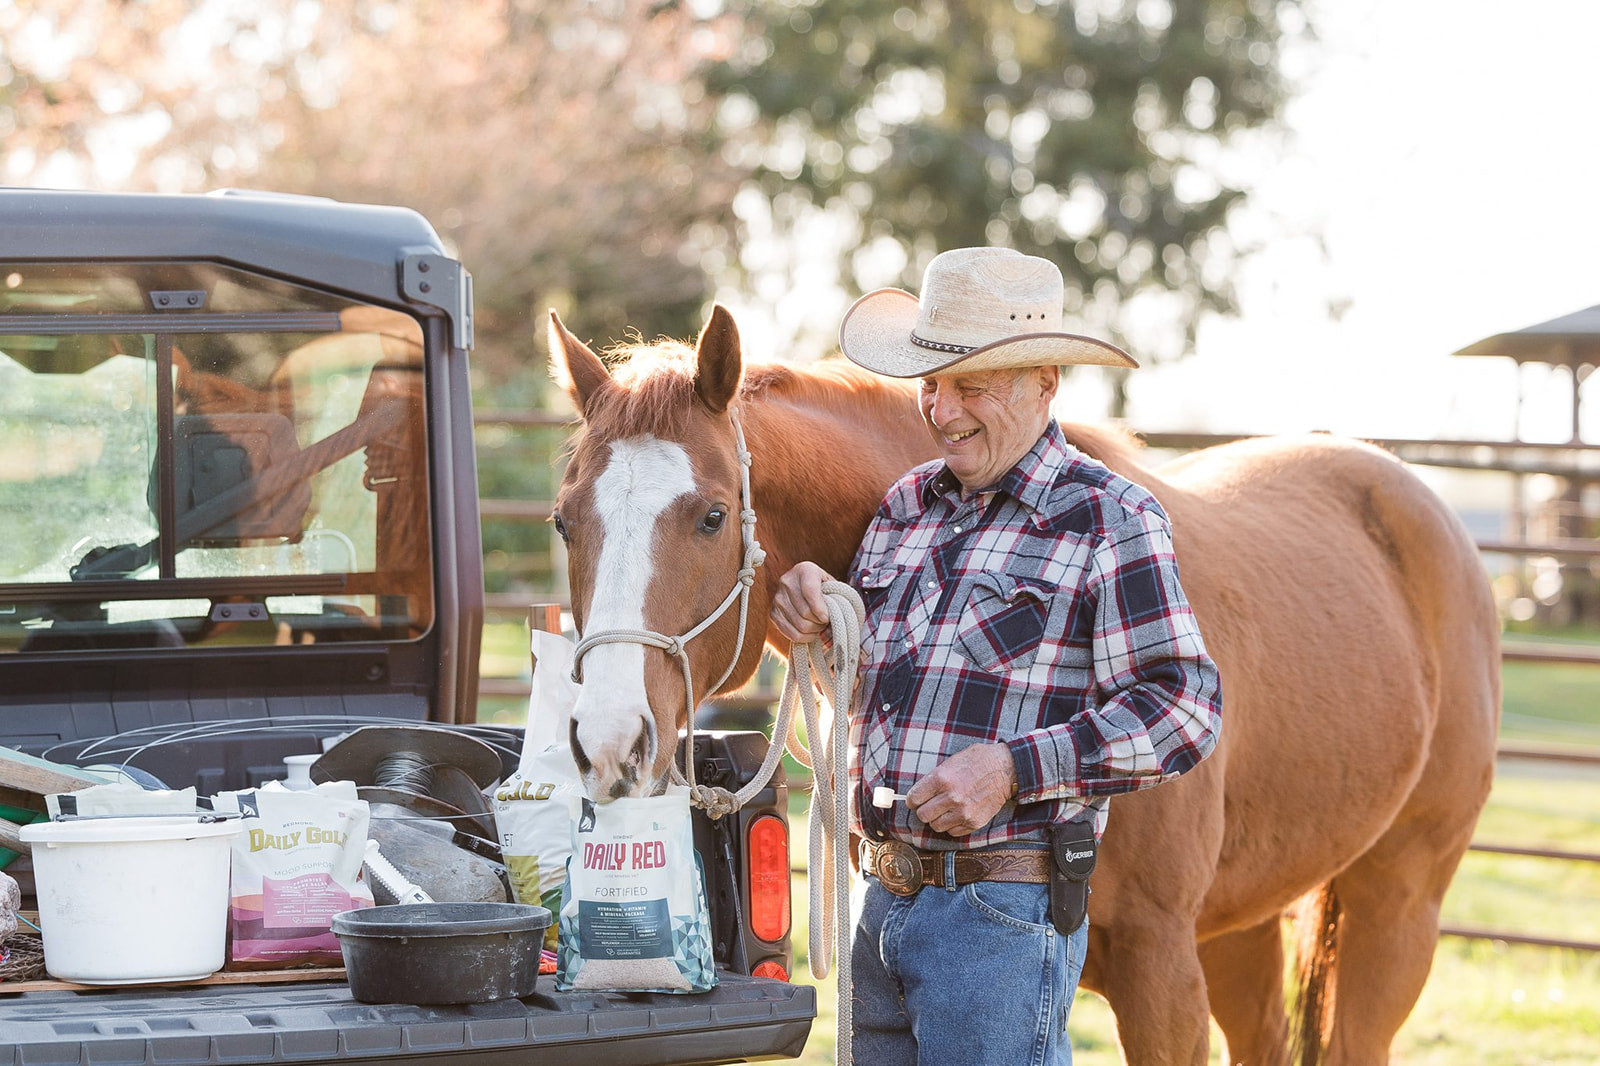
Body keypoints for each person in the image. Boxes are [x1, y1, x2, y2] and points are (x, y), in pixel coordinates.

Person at [770, 247, 1222, 1065]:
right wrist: (817, 611)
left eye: (971, 384)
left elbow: (1182, 708)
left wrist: (1013, 769)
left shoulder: (1108, 517)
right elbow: (879, 685)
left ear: (1044, 382)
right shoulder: (907, 506)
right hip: (884, 902)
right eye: (933, 384)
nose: (942, 411)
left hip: (1002, 911)